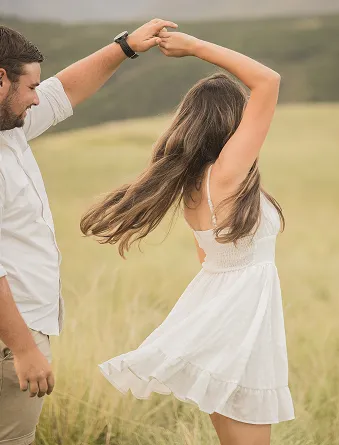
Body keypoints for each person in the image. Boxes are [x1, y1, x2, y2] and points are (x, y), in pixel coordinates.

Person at [81, 30, 295, 445]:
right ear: (232, 122)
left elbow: (208, 258)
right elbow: (268, 81)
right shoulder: (226, 176)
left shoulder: (195, 183)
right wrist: (197, 48)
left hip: (222, 312)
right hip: (239, 319)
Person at [0, 19, 177, 445]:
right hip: (11, 333)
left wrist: (126, 47)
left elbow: (65, 92)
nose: (37, 98)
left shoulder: (10, 130)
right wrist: (23, 348)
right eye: (29, 87)